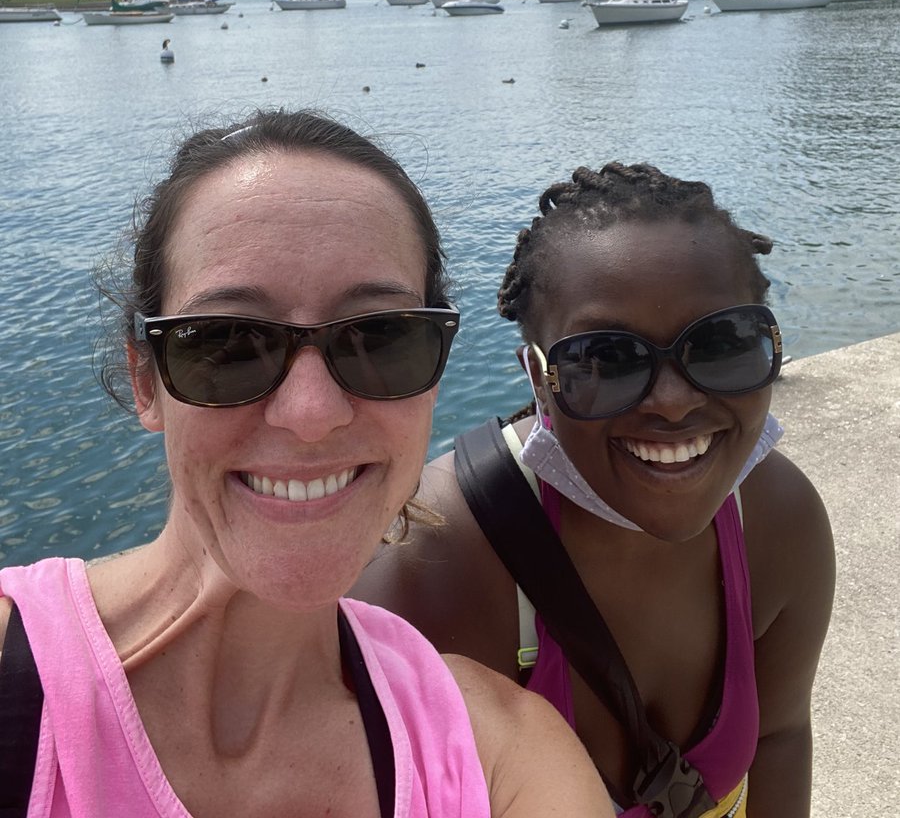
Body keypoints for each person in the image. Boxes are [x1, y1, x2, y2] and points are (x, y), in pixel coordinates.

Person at [0, 110, 613, 818]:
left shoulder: (499, 756)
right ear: (147, 382)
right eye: (226, 341)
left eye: (381, 338)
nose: (312, 413)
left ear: (434, 369)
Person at [355, 162, 835, 818]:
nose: (672, 403)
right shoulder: (436, 566)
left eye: (722, 343)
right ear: (537, 377)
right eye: (605, 360)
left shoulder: (777, 521)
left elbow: (779, 736)